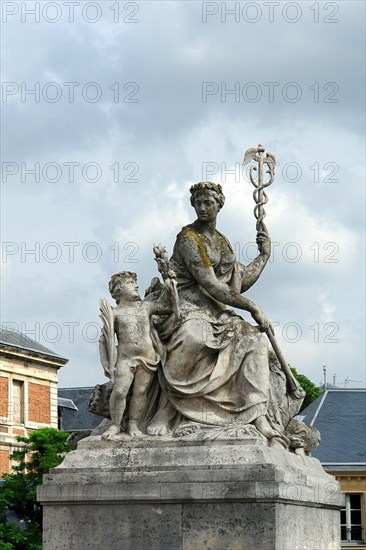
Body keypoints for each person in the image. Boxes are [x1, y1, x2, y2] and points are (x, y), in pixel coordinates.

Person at [147, 181, 285, 443]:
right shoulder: (188, 238)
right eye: (198, 203)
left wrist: (263, 257)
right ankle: (168, 409)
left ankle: (258, 415)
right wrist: (253, 307)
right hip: (186, 306)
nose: (202, 208)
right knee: (193, 336)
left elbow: (238, 281)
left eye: (207, 203)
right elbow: (210, 284)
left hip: (215, 310)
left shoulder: (221, 242)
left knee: (254, 340)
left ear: (219, 205)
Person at [101, 271, 172, 439]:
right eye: (131, 282)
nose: (136, 285)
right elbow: (104, 340)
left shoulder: (145, 307)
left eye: (135, 282)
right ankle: (115, 425)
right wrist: (107, 364)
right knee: (119, 391)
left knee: (140, 392)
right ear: (118, 290)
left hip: (148, 358)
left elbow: (168, 307)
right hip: (125, 359)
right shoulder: (115, 313)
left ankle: (134, 423)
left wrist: (169, 282)